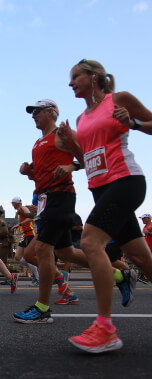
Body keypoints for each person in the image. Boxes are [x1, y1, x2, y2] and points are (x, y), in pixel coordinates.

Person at [58, 59, 152, 353]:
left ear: (93, 76)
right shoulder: (81, 118)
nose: (70, 82)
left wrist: (133, 124)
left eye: (75, 77)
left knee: (89, 242)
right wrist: (71, 143)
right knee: (139, 256)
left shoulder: (117, 99)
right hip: (101, 189)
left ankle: (105, 328)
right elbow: (87, 161)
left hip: (126, 181)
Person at [13, 99, 87, 323]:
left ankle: (42, 308)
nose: (33, 115)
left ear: (51, 113)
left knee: (42, 251)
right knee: (66, 253)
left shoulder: (62, 133)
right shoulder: (37, 143)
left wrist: (71, 165)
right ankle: (118, 272)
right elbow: (43, 176)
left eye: (36, 111)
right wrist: (29, 173)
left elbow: (87, 157)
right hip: (47, 200)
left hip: (60, 196)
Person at [10, 197, 39, 286]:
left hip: (29, 234)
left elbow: (30, 218)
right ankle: (37, 268)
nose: (12, 205)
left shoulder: (23, 208)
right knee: (18, 257)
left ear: (16, 203)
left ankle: (37, 277)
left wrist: (18, 224)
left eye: (13, 203)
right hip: (23, 235)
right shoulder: (19, 211)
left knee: (28, 257)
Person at [138, 213, 152, 284]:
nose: (142, 220)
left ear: (148, 218)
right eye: (142, 218)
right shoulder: (145, 226)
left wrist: (149, 233)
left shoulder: (151, 225)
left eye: (144, 218)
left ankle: (142, 276)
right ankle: (142, 276)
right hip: (147, 247)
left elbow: (148, 233)